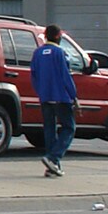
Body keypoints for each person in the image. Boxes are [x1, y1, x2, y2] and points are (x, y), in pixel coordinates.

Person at [30, 24, 79, 177]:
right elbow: (65, 76)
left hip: (45, 97)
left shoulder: (37, 53)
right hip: (61, 97)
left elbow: (34, 76)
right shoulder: (60, 53)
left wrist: (41, 92)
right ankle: (53, 157)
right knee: (69, 128)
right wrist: (73, 95)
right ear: (58, 36)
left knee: (49, 129)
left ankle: (52, 167)